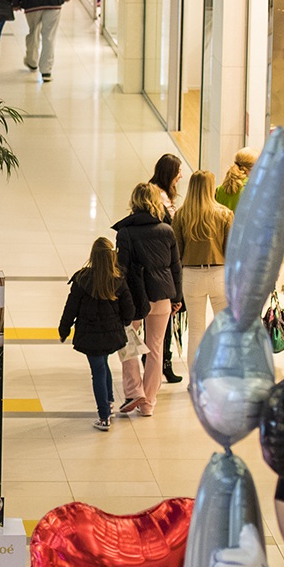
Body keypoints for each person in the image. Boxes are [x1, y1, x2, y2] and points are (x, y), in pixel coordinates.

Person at [112, 183, 182, 418]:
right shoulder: (167, 230)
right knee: (155, 348)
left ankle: (134, 391)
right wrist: (177, 297)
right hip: (162, 295)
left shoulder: (126, 232)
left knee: (127, 342)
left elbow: (121, 269)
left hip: (134, 297)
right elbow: (176, 267)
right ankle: (148, 402)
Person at [58, 237, 137, 431]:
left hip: (89, 335)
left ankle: (104, 417)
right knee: (103, 364)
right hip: (112, 335)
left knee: (98, 370)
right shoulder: (118, 279)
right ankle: (109, 401)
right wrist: (121, 323)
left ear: (92, 256)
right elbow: (129, 311)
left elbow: (71, 308)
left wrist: (64, 329)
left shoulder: (82, 279)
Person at [171, 169, 231, 353]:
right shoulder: (224, 214)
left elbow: (176, 252)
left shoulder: (181, 215)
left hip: (190, 275)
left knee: (196, 331)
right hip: (218, 273)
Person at [151, 154, 186, 383]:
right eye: (178, 171)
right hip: (162, 267)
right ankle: (162, 362)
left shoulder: (155, 192)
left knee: (158, 320)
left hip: (156, 265)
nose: (181, 175)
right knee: (165, 317)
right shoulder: (161, 200)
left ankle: (156, 360)